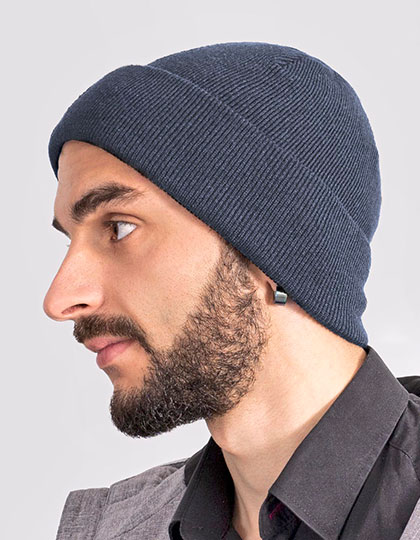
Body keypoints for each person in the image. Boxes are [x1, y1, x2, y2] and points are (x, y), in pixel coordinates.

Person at [44, 42, 420, 540]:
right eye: (70, 240)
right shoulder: (113, 528)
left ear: (277, 248)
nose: (59, 300)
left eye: (119, 228)